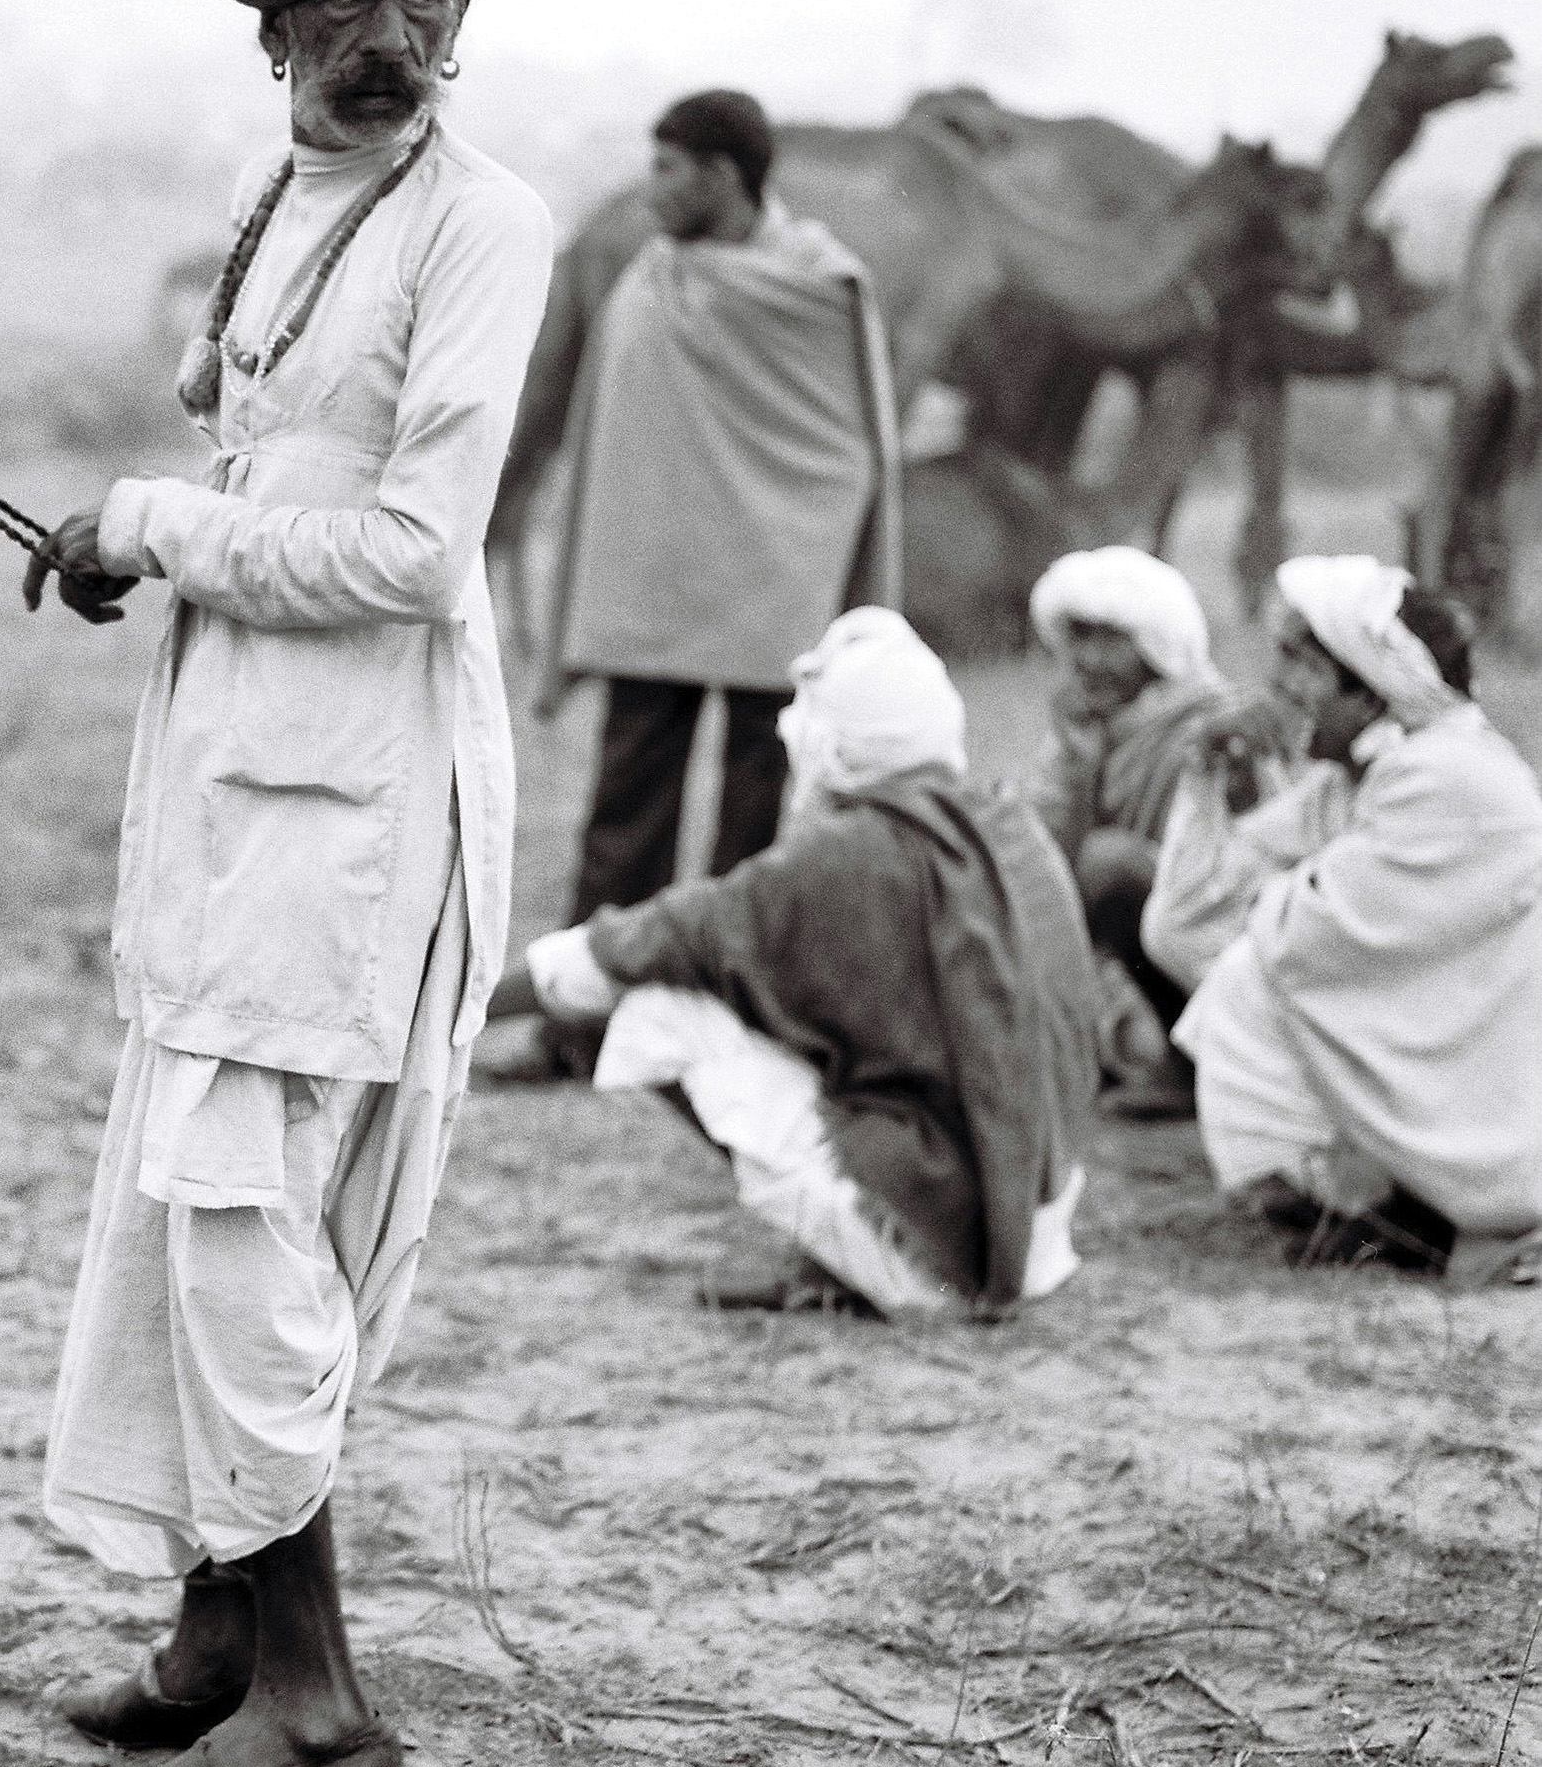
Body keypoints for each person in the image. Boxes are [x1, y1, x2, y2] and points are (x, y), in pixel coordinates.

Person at [18, 0, 552, 1767]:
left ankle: (318, 1704)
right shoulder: (289, 190)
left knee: (248, 1211)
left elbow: (417, 555)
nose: (387, 31)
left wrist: (152, 524)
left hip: (360, 800)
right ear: (272, 24)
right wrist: (140, 541)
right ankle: (222, 1643)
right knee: (182, 1187)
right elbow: (239, 431)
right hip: (234, 769)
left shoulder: (482, 225)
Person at [493, 610, 1099, 1317]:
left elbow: (629, 947)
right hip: (1043, 1226)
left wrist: (462, 1009)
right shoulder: (1009, 824)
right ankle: (858, 1254)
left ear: (837, 743)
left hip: (950, 1257)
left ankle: (863, 1265)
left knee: (660, 1008)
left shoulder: (848, 852)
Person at [538, 89, 901, 923]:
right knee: (625, 816)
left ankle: (728, 1027)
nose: (651, 190)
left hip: (776, 593)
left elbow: (849, 450)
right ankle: (588, 1022)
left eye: (667, 170)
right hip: (658, 591)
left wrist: (795, 536)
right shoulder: (653, 273)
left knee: (755, 827)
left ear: (720, 175)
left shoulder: (821, 282)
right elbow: (618, 428)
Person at [1174, 556, 1542, 1272]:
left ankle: (1404, 1223)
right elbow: (1187, 917)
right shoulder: (1362, 774)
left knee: (1251, 981)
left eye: (1301, 663)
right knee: (1245, 975)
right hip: (1447, 1051)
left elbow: (1290, 938)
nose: (1279, 685)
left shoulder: (1443, 777)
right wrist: (1207, 773)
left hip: (1491, 1080)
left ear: (1371, 692)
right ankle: (1379, 1208)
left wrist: (1276, 892)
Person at [1016, 545, 1237, 1106]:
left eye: (1110, 640)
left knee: (1109, 863)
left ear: (1154, 648)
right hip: (1131, 956)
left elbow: (1206, 882)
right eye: (1080, 638)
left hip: (1215, 957)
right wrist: (1083, 772)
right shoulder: (1081, 728)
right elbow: (1044, 876)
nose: (1089, 660)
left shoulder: (1206, 724)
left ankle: (1192, 1067)